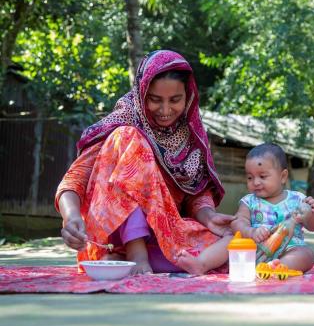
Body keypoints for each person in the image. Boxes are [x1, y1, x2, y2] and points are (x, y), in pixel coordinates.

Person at [56, 50, 235, 275]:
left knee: (232, 247)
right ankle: (135, 253)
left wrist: (209, 218)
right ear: (142, 93)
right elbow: (74, 179)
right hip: (113, 231)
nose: (166, 110)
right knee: (128, 136)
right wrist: (71, 217)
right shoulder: (124, 122)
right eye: (155, 99)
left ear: (188, 95)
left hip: (163, 229)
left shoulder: (192, 135)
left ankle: (120, 260)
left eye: (175, 100)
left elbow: (195, 194)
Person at [231, 143, 314, 272]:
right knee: (230, 243)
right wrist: (250, 232)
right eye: (250, 177)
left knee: (307, 255)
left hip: (290, 248)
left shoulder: (297, 199)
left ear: (283, 176)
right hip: (257, 250)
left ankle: (277, 267)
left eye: (262, 176)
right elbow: (237, 222)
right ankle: (204, 263)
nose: (256, 182)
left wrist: (311, 214)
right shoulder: (249, 201)